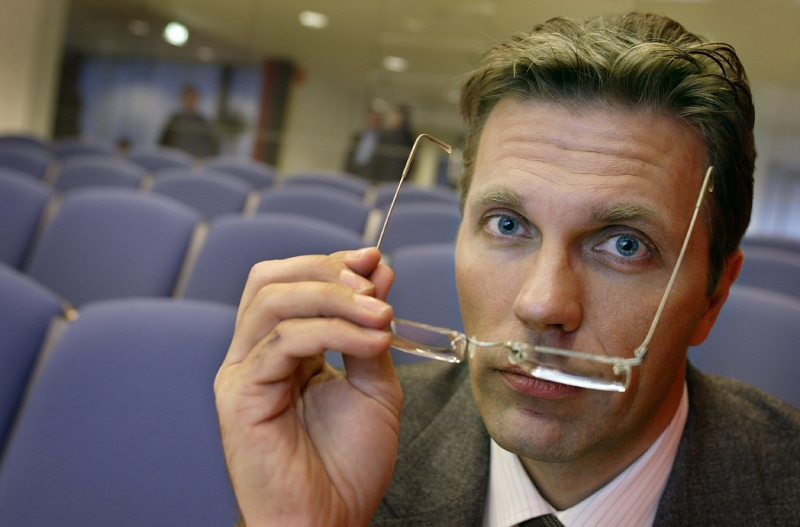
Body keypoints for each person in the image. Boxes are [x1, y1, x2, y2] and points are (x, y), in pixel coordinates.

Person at [214, 13, 800, 527]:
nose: (541, 305)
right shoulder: (352, 447)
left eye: (625, 245)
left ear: (713, 296)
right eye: (508, 225)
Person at [158, 84, 219, 157]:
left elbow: (213, 147)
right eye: (186, 97)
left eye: (191, 98)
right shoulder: (175, 121)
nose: (189, 101)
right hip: (176, 160)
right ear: (182, 98)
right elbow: (162, 146)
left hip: (197, 162)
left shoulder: (203, 123)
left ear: (196, 99)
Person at [372, 104, 415, 182]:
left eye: (394, 115)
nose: (391, 117)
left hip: (392, 180)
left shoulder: (403, 137)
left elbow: (396, 164)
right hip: (385, 179)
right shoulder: (388, 135)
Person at [344, 108, 383, 179]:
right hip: (354, 169)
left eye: (375, 119)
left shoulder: (383, 138)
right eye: (371, 118)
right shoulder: (357, 135)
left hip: (370, 172)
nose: (373, 121)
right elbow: (349, 155)